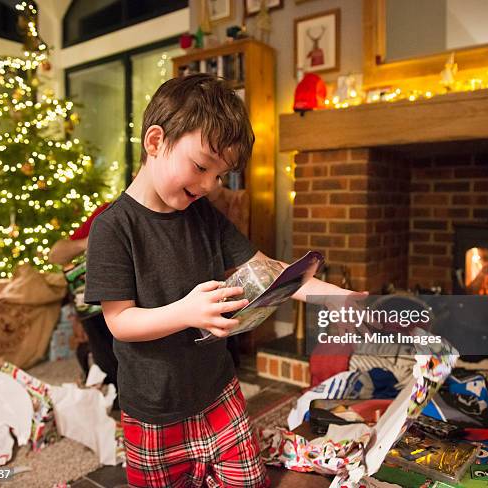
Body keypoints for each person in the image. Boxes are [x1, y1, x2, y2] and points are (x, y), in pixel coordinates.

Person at [84, 73, 363, 488]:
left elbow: (270, 273)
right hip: (153, 412)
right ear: (156, 141)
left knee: (248, 482)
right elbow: (119, 322)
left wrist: (342, 297)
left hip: (218, 392)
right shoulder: (113, 228)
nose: (210, 185)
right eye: (201, 167)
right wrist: (186, 312)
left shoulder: (205, 216)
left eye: (220, 175)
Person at [48, 202, 118, 389]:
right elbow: (55, 255)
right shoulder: (110, 211)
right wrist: (93, 239)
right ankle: (113, 380)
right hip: (103, 307)